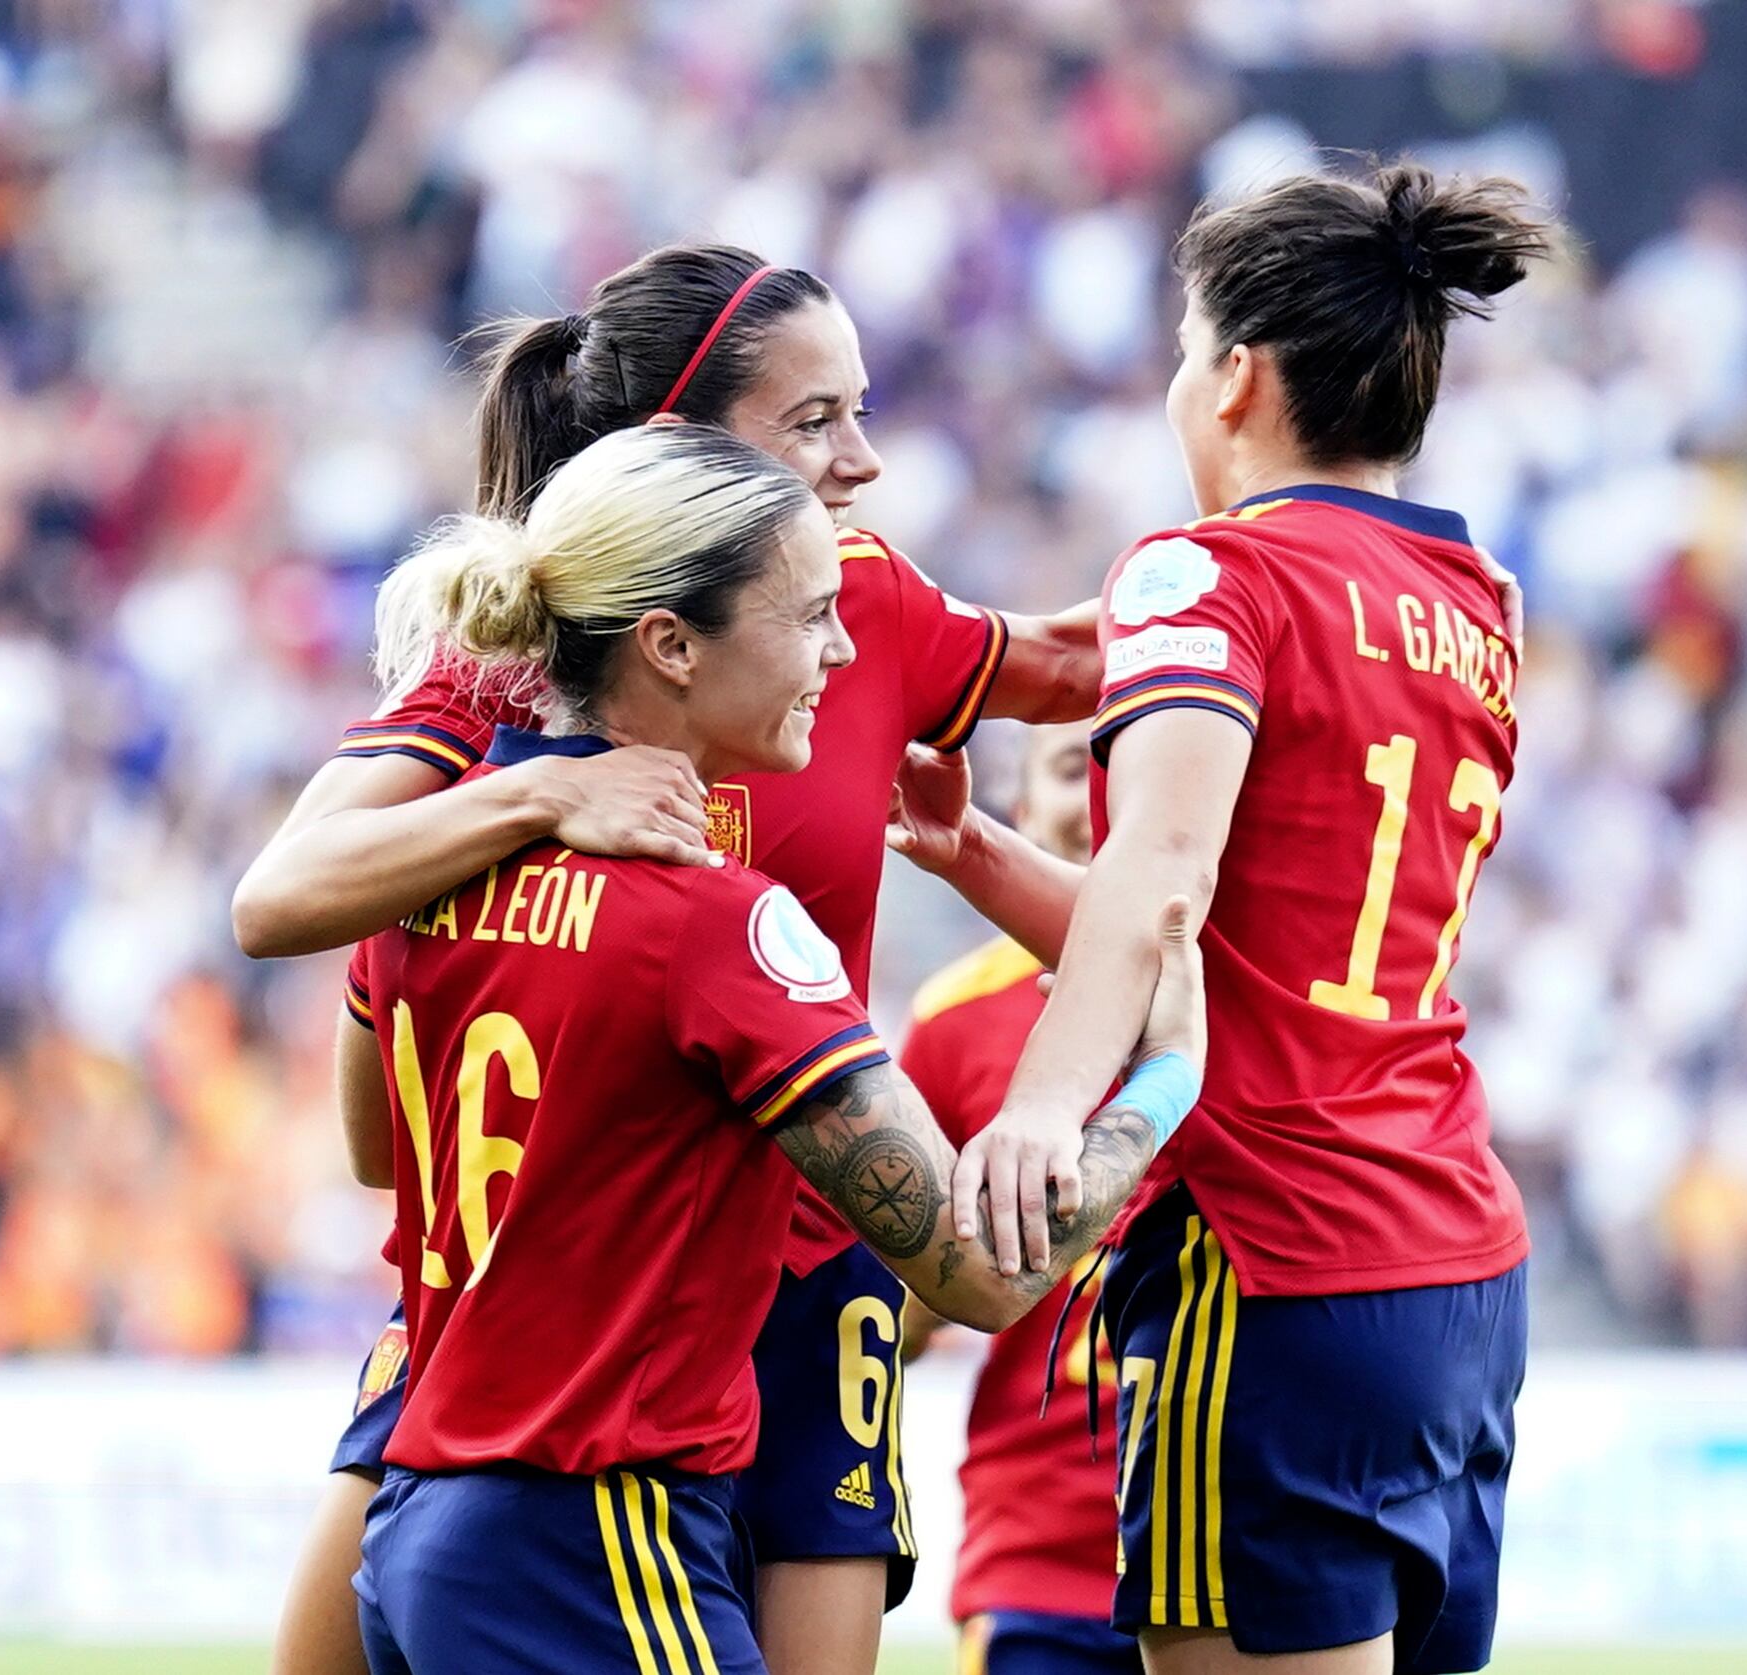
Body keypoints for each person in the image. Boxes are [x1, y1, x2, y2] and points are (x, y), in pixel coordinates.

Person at [252, 245, 1104, 1675]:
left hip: (812, 1250)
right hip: (561, 1296)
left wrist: (1309, 580)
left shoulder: (859, 603)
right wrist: (539, 793)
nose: (865, 462)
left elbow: (1089, 664)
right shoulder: (512, 662)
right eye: (814, 419)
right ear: (673, 449)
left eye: (863, 410)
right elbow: (283, 901)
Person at [902, 160, 1551, 1673]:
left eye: (1185, 358)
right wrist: (985, 852)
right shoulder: (1480, 600)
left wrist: (1042, 1107)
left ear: (1238, 375)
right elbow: (1255, 931)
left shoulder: (1206, 573)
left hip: (1267, 1255)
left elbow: (1165, 878)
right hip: (1451, 1261)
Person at [899, 722, 1139, 1675]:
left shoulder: (1256, 1003)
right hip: (1042, 1563)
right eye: (1077, 769)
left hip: (1242, 1546)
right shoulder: (952, 1021)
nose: (1114, 799)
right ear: (1024, 810)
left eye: (1139, 772)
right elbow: (882, 1305)